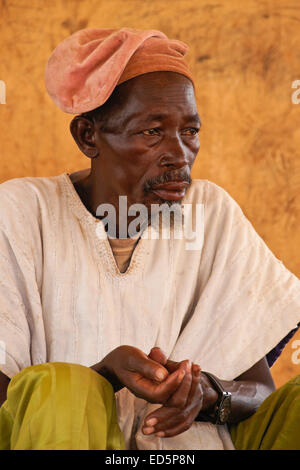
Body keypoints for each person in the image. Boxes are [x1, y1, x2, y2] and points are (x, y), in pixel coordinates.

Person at [0, 27, 299, 451]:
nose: (179, 155)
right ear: (88, 137)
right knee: (62, 387)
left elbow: (262, 393)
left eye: (190, 132)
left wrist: (210, 394)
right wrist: (101, 375)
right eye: (152, 132)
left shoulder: (210, 213)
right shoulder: (20, 213)